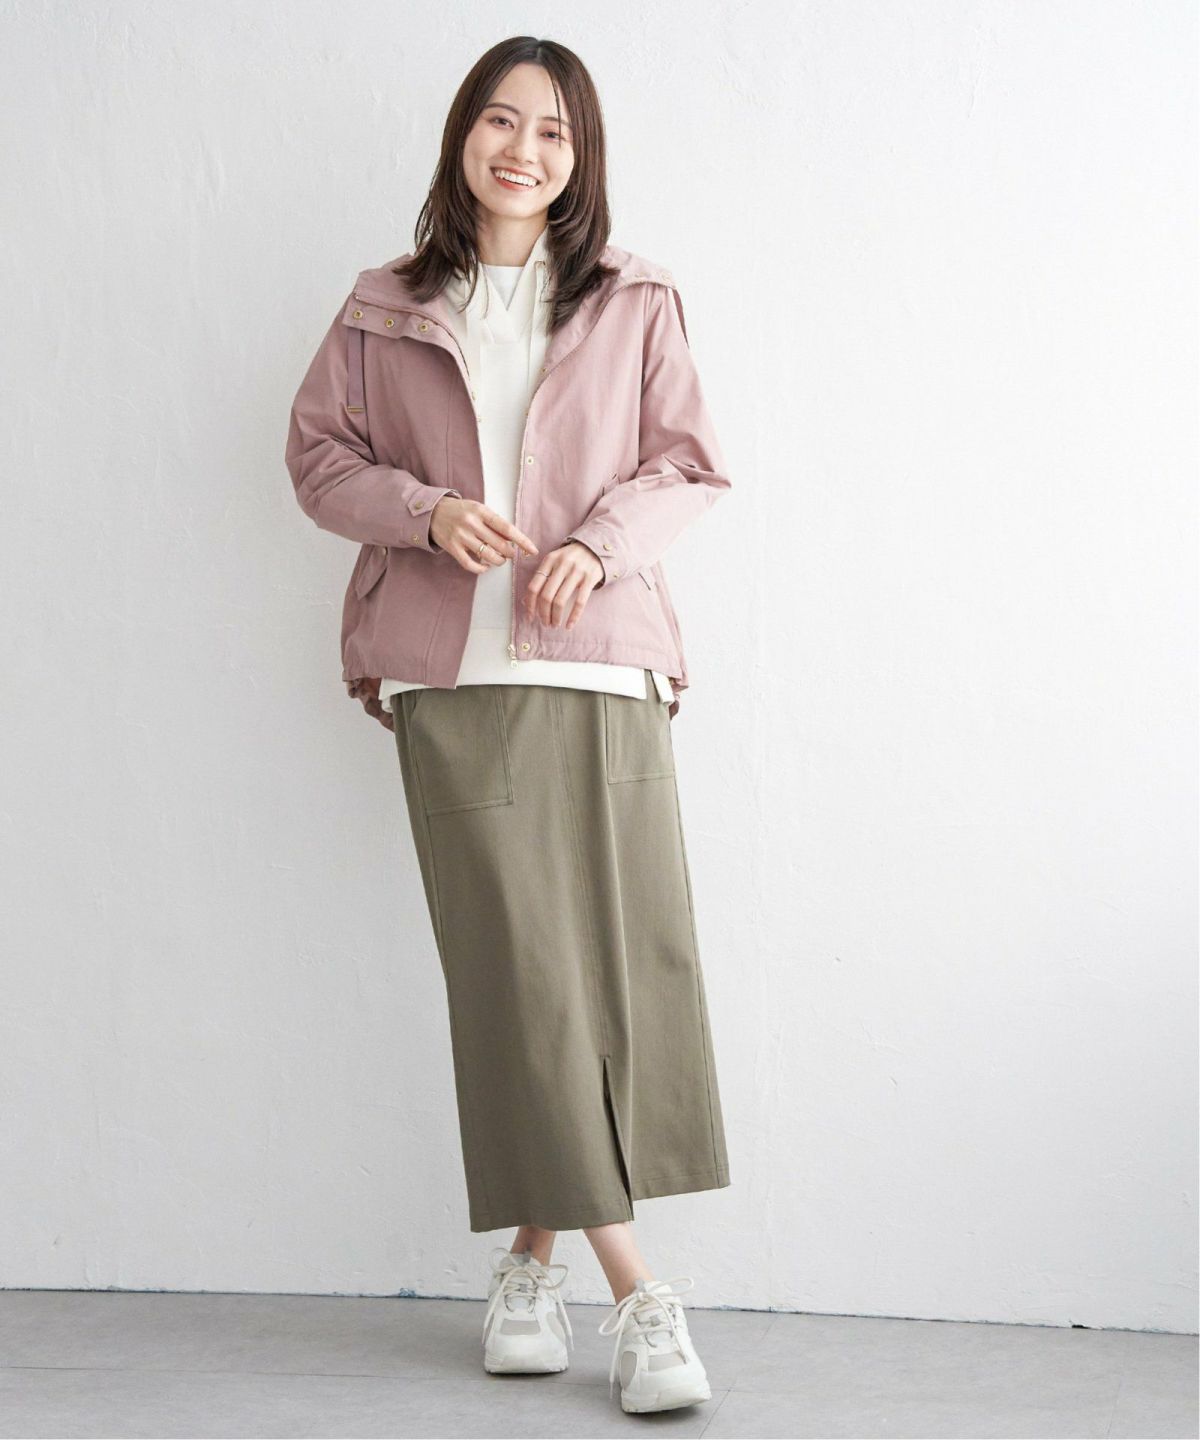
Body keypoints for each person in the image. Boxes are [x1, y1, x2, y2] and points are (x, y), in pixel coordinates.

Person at [284, 36, 733, 1416]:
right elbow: (318, 459)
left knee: (612, 979)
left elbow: (686, 464)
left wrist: (596, 545)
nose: (522, 149)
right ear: (461, 138)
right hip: (453, 678)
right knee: (519, 981)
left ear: (579, 156)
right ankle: (638, 1292)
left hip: (603, 668)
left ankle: (528, 1271)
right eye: (499, 121)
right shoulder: (384, 307)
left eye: (552, 130)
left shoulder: (634, 298)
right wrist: (426, 514)